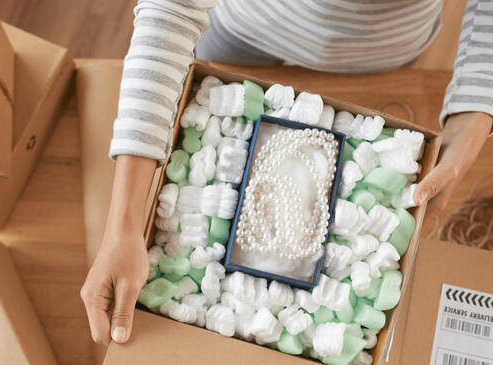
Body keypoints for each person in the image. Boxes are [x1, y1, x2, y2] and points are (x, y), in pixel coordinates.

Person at [80, 0, 493, 345]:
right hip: (246, 22)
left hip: (383, 45)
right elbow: (172, 9)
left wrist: (474, 117)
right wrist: (123, 224)